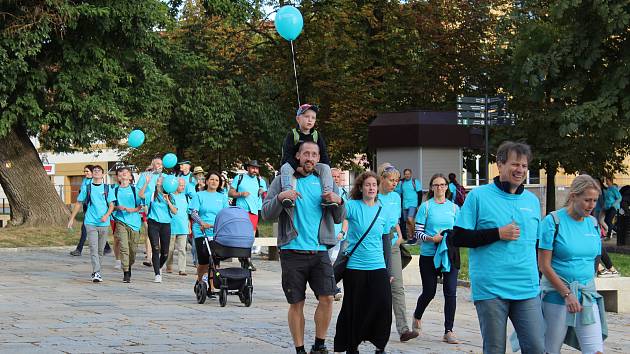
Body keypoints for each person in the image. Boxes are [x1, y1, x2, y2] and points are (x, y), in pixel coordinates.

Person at [450, 141, 545, 354]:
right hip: (491, 288)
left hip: (527, 287)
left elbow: (537, 244)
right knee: (495, 349)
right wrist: (497, 233)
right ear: (499, 165)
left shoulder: (532, 200)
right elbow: (458, 237)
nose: (520, 170)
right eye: (514, 164)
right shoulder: (478, 196)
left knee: (537, 347)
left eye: (524, 165)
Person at [262, 141, 345, 354]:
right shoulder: (282, 181)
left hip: (319, 251)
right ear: (297, 156)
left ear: (318, 159)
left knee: (327, 298)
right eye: (306, 153)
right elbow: (266, 214)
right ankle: (299, 349)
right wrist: (281, 198)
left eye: (314, 154)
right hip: (292, 251)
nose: (310, 158)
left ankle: (319, 344)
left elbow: (339, 217)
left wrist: (339, 201)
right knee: (296, 302)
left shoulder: (325, 181)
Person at [538, 174, 607, 354]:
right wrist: (567, 294)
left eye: (595, 200)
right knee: (550, 350)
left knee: (596, 350)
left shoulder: (592, 223)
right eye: (587, 200)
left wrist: (587, 282)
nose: (591, 205)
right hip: (556, 296)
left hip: (586, 295)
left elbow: (595, 257)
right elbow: (544, 265)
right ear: (573, 196)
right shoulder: (553, 222)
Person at [334, 171, 391, 354]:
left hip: (378, 266)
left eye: (374, 185)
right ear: (361, 187)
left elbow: (386, 241)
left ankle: (380, 345)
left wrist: (389, 271)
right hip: (355, 267)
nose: (371, 188)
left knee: (382, 306)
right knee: (354, 308)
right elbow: (336, 216)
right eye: (367, 185)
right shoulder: (352, 206)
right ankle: (352, 346)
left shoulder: (383, 210)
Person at [411, 173, 461, 344]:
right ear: (431, 188)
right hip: (429, 255)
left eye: (442, 185)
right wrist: (432, 239)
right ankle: (417, 316)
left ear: (447, 187)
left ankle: (449, 330)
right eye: (436, 185)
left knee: (451, 292)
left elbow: (460, 231)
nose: (439, 188)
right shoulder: (425, 207)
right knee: (429, 291)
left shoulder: (454, 208)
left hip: (449, 255)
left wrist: (451, 238)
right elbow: (417, 233)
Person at [377, 163, 418, 343]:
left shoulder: (396, 197)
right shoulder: (373, 194)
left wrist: (401, 236)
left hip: (392, 243)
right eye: (391, 180)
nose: (394, 184)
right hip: (375, 243)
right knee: (376, 287)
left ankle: (403, 329)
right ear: (382, 179)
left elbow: (395, 221)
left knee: (397, 286)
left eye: (397, 181)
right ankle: (374, 326)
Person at [279, 104, 335, 208]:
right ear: (298, 119)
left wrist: (326, 169)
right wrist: (297, 168)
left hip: (312, 165)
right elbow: (287, 155)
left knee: (326, 168)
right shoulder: (292, 134)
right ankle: (288, 195)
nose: (310, 120)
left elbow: (323, 154)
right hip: (294, 164)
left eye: (313, 118)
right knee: (285, 167)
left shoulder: (317, 135)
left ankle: (327, 196)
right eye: (306, 117)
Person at [67, 165, 116, 282]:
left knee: (100, 250)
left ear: (103, 174)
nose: (96, 172)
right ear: (92, 174)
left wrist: (106, 215)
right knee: (93, 248)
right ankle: (96, 272)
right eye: (94, 170)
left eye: (99, 170)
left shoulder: (107, 188)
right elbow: (79, 203)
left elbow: (112, 205)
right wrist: (71, 218)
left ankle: (97, 270)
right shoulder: (87, 188)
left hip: (104, 223)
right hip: (90, 222)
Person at [189, 172, 230, 295]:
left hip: (217, 231)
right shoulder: (199, 195)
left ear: (219, 183)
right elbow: (193, 212)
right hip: (202, 231)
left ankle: (212, 286)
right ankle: (200, 280)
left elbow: (226, 214)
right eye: (211, 179)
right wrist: (201, 222)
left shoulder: (222, 197)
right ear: (206, 181)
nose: (214, 182)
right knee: (204, 261)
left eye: (216, 180)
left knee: (215, 260)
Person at [228, 160, 267, 271]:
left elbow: (266, 194)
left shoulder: (260, 180)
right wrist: (240, 194)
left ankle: (246, 257)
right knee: (241, 235)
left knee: (251, 237)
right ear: (247, 168)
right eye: (252, 168)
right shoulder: (239, 178)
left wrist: (262, 192)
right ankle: (245, 258)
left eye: (256, 168)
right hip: (241, 210)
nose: (255, 170)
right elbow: (230, 193)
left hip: (254, 211)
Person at [139, 169, 177, 283]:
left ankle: (159, 266)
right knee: (155, 248)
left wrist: (168, 201)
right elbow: (140, 195)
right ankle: (157, 274)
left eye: (161, 179)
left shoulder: (170, 196)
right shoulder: (151, 194)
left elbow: (175, 211)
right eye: (159, 179)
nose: (159, 180)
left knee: (165, 252)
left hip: (166, 225)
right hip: (153, 223)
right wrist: (146, 183)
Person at [109, 166, 142, 283]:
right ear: (118, 177)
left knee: (132, 250)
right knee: (123, 246)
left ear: (130, 177)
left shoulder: (135, 190)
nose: (123, 174)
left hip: (135, 223)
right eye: (121, 172)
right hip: (120, 221)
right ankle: (126, 272)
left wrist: (133, 210)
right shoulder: (114, 190)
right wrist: (118, 207)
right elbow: (111, 207)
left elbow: (141, 206)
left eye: (126, 172)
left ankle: (129, 265)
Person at [137, 157, 165, 268]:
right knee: (149, 232)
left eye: (161, 164)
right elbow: (138, 190)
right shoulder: (145, 176)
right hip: (147, 207)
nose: (159, 165)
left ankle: (156, 256)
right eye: (157, 163)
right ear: (152, 165)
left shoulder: (165, 177)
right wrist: (141, 204)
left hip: (161, 209)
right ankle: (149, 258)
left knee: (159, 234)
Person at [330, 168, 349, 301]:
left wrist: (343, 231)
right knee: (329, 262)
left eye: (338, 176)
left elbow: (346, 216)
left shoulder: (344, 193)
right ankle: (330, 288)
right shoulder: (325, 193)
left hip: (341, 235)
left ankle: (332, 287)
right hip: (327, 234)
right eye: (333, 176)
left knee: (337, 262)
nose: (336, 178)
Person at [166, 178, 190, 276]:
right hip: (171, 226)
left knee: (182, 249)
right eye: (181, 185)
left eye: (184, 185)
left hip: (183, 226)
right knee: (170, 249)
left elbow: (187, 213)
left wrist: (189, 226)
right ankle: (169, 266)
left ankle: (182, 269)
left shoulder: (185, 197)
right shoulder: (169, 196)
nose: (183, 187)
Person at [395, 168, 422, 240]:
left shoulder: (415, 181)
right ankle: (410, 237)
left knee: (410, 219)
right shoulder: (402, 183)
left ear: (411, 174)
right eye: (405, 174)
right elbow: (398, 192)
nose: (407, 175)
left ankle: (415, 234)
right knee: (407, 221)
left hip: (413, 204)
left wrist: (419, 204)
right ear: (404, 175)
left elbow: (420, 193)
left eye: (408, 174)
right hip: (405, 204)